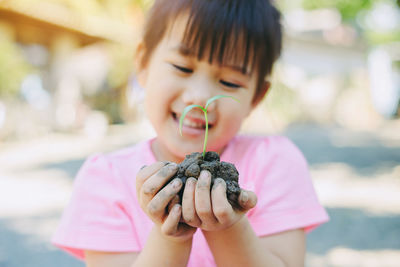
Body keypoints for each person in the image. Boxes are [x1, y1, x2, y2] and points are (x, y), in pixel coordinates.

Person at [52, 0, 329, 266]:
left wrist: (226, 224)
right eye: (182, 67)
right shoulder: (105, 179)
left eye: (230, 82)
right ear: (143, 65)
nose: (199, 97)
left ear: (256, 97)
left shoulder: (276, 162)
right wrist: (171, 234)